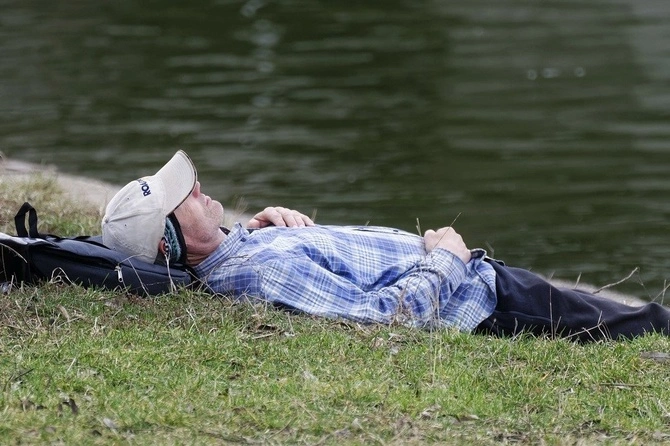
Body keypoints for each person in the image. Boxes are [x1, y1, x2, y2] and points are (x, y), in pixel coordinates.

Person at [101, 150, 670, 342]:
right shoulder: (257, 274)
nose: (196, 187)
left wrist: (251, 231)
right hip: (485, 301)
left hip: (479, 283)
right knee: (644, 324)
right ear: (170, 243)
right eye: (183, 198)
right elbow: (386, 318)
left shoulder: (245, 249)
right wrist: (446, 258)